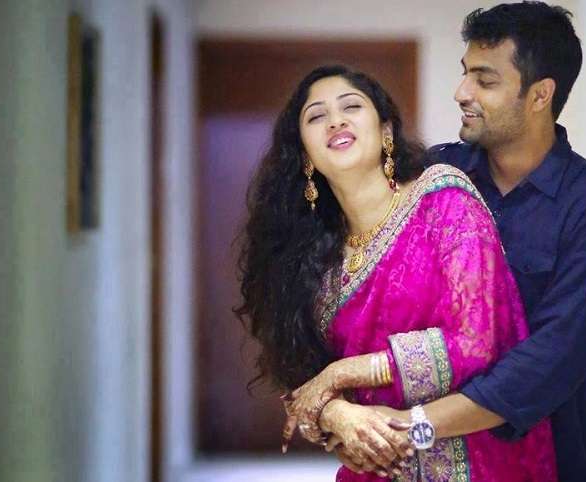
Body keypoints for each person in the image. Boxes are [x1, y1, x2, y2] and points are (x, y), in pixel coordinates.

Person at [296, 3, 586, 481]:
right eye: (465, 73)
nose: (462, 92)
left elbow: (546, 365)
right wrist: (343, 416)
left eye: (485, 80)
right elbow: (356, 299)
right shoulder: (433, 177)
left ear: (540, 95)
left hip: (545, 463)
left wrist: (404, 429)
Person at [235, 63, 558, 481]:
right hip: (377, 470)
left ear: (386, 130)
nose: (335, 120)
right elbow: (303, 386)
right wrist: (337, 415)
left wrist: (345, 371)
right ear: (304, 155)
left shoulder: (442, 200)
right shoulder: (314, 261)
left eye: (351, 106)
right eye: (316, 116)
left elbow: (476, 343)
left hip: (480, 463)